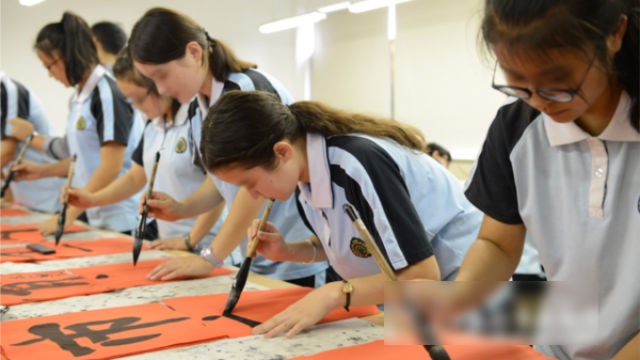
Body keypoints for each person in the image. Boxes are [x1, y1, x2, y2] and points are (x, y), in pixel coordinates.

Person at [197, 89, 482, 338]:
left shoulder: (356, 165)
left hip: (469, 299)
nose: (253, 195)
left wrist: (334, 293)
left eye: (250, 183)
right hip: (412, 306)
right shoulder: (303, 177)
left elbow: (422, 277)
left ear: (282, 152)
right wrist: (288, 250)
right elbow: (355, 243)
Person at [451, 0, 639, 359]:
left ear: (615, 34)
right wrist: (455, 312)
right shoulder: (515, 129)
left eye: (558, 83)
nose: (539, 101)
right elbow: (498, 244)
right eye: (517, 83)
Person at [127, 7, 328, 286]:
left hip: (291, 251)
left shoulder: (245, 91)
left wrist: (209, 257)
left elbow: (254, 189)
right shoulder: (200, 107)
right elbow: (223, 181)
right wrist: (181, 208)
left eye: (162, 75)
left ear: (194, 53)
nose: (160, 90)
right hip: (253, 252)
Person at [65, 50, 226, 252]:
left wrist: (189, 240)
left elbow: (219, 187)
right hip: (171, 243)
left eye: (140, 99)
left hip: (209, 245)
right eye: (130, 101)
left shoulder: (197, 119)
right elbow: (135, 178)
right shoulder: (153, 125)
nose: (137, 107)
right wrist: (92, 199)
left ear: (159, 85)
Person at [10, 12, 144, 235]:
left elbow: (111, 165)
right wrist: (41, 171)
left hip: (123, 218)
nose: (50, 75)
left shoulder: (106, 93)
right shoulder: (80, 96)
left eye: (49, 66)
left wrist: (66, 215)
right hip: (97, 214)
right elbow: (82, 159)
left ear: (66, 56)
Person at [1, 71, 65, 212]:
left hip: (46, 192)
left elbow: (6, 154)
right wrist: (8, 196)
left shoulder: (9, 90)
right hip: (24, 194)